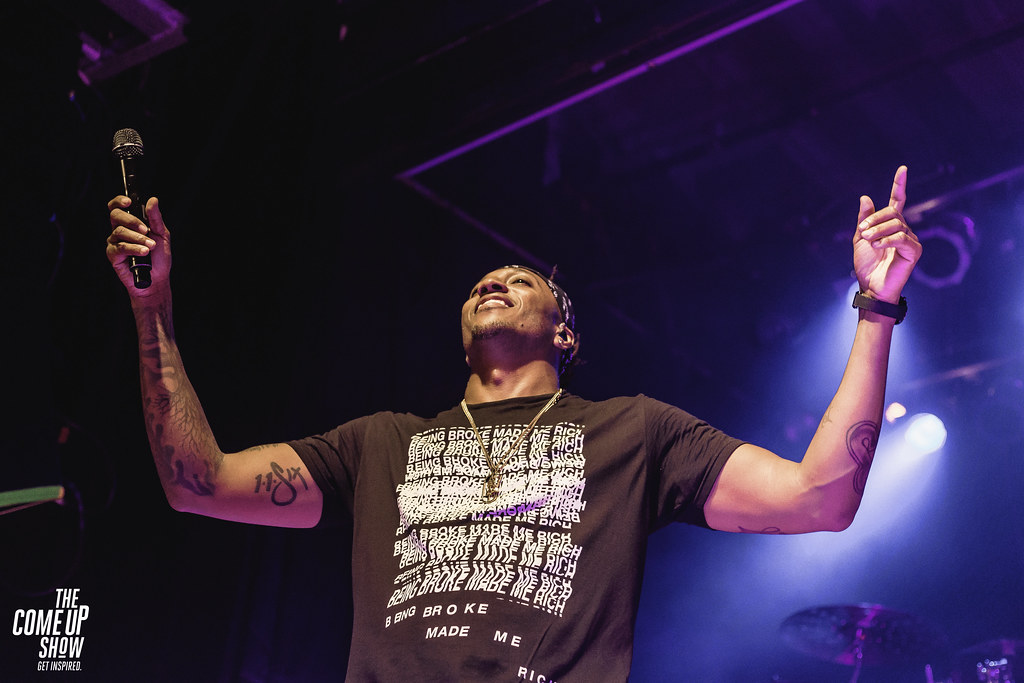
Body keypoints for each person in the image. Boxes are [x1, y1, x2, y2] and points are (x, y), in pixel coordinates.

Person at [105, 166, 921, 681]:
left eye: (519, 280)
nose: (491, 281)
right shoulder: (382, 443)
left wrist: (877, 306)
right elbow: (198, 482)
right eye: (480, 284)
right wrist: (153, 307)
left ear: (565, 334)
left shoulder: (634, 432)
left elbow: (819, 497)